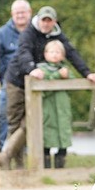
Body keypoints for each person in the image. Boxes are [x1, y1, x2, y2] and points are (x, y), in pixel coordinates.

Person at [0, 5, 95, 169]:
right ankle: (16, 163)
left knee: (30, 122)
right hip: (17, 81)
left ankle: (6, 156)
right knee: (14, 123)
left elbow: (72, 53)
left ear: (54, 21)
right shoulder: (29, 33)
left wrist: (87, 72)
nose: (46, 24)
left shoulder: (57, 34)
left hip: (36, 85)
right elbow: (24, 52)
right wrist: (32, 69)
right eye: (43, 20)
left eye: (49, 21)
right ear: (38, 19)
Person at [0, 0, 32, 148]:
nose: (20, 15)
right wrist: (0, 78)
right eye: (17, 12)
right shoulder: (3, 33)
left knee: (28, 117)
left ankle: (22, 151)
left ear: (29, 13)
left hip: (31, 80)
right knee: (5, 115)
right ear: (12, 14)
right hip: (9, 81)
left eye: (23, 12)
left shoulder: (35, 31)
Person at [37, 40, 73, 168]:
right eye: (51, 51)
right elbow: (43, 86)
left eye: (58, 52)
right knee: (46, 137)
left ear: (63, 55)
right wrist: (58, 75)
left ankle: (60, 165)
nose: (55, 54)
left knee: (63, 137)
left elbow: (73, 85)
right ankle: (45, 166)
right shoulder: (41, 69)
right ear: (45, 54)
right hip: (48, 110)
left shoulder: (66, 69)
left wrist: (67, 76)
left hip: (63, 110)